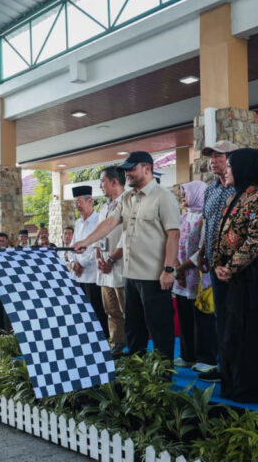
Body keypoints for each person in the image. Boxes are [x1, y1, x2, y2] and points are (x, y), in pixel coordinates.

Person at [72, 151, 180, 362]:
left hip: (154, 277)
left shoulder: (163, 196)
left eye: (132, 169)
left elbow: (173, 235)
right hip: (130, 276)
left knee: (159, 329)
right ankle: (136, 371)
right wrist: (85, 242)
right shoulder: (128, 198)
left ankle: (162, 375)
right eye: (126, 170)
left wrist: (168, 269)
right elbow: (109, 223)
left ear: (147, 168)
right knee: (133, 328)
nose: (127, 174)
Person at [212, 148, 258, 403]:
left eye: (230, 166)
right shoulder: (236, 197)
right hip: (233, 277)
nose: (226, 170)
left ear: (245, 168)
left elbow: (256, 239)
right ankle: (234, 384)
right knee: (232, 332)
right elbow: (221, 234)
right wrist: (219, 264)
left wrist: (230, 267)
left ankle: (254, 390)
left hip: (253, 277)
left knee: (251, 333)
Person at [196, 140, 238, 382]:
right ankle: (222, 364)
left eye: (218, 156)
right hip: (213, 263)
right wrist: (202, 251)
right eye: (210, 157)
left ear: (231, 159)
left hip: (235, 266)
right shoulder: (210, 190)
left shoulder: (240, 188)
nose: (212, 160)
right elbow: (208, 224)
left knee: (234, 317)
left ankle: (233, 366)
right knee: (220, 316)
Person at [172, 181, 217, 372]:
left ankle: (206, 358)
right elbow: (173, 243)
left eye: (186, 193)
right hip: (181, 275)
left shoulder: (204, 217)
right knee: (184, 315)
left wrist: (181, 268)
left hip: (198, 274)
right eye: (182, 193)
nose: (183, 197)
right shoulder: (182, 217)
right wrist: (176, 267)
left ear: (198, 194)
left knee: (202, 316)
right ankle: (187, 355)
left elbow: (202, 249)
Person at [68, 185, 107, 340]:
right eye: (75, 202)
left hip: (92, 275)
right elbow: (71, 246)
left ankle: (102, 340)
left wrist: (81, 264)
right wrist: (73, 263)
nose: (77, 205)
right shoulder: (78, 223)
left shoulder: (99, 220)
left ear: (89, 200)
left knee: (97, 310)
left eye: (79, 201)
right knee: (82, 311)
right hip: (78, 276)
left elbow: (96, 246)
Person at [95, 167, 126, 357]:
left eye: (102, 181)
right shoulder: (104, 208)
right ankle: (116, 342)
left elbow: (127, 237)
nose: (100, 185)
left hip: (121, 265)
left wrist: (112, 259)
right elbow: (99, 235)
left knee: (126, 310)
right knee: (111, 310)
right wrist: (98, 257)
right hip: (104, 268)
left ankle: (132, 344)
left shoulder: (127, 203)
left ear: (114, 181)